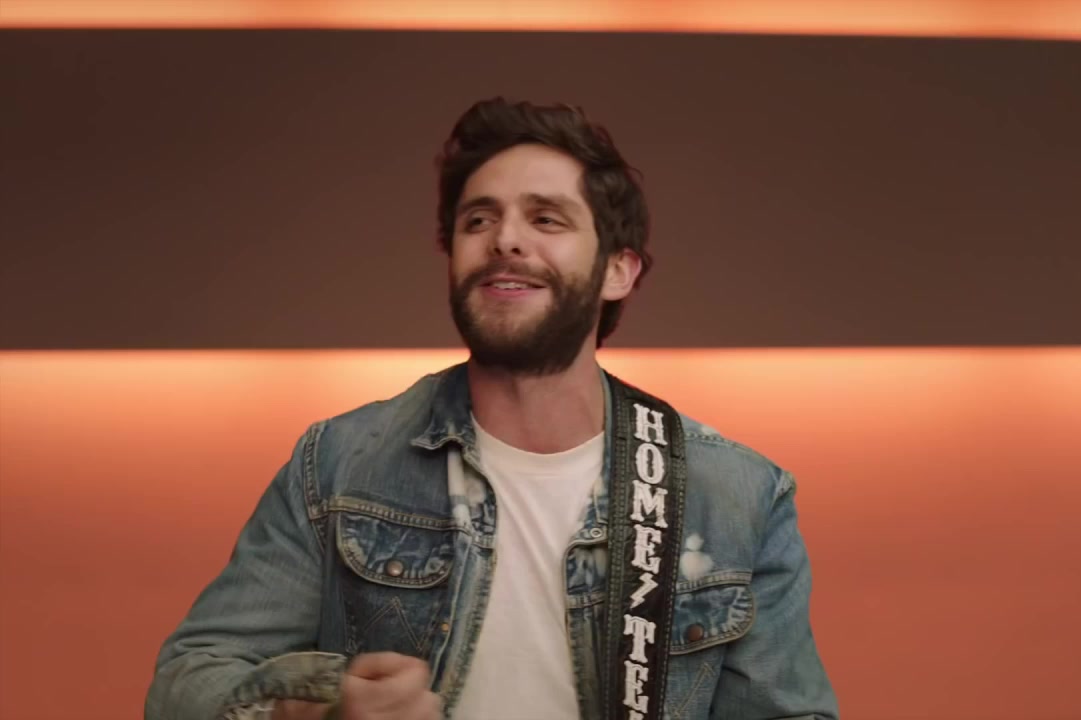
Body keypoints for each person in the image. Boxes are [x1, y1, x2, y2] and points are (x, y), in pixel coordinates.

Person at [145, 97, 838, 720]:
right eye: (479, 219)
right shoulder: (338, 464)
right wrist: (318, 707)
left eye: (546, 218)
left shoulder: (736, 494)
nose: (505, 238)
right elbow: (185, 684)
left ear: (617, 270)